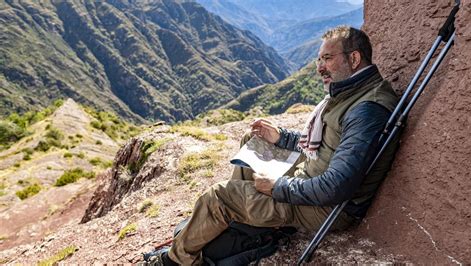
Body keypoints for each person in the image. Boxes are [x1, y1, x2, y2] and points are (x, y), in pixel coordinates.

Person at [147, 25, 399, 265]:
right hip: (313, 176)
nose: (320, 68)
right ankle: (244, 219)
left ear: (354, 59)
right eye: (319, 60)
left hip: (325, 207)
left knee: (219, 196)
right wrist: (281, 137)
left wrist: (278, 187)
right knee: (255, 142)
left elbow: (336, 187)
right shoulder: (354, 92)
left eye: (328, 58)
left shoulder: (366, 110)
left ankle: (176, 260)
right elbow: (325, 145)